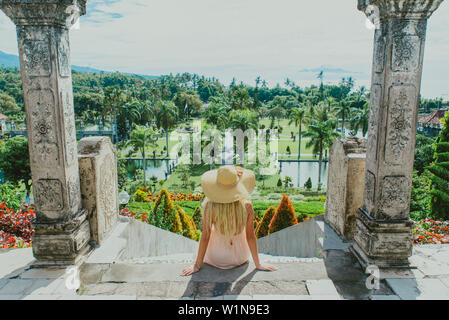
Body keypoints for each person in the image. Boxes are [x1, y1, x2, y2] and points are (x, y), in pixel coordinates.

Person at [181, 165, 277, 276]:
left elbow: (205, 236)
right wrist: (258, 264)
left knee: (210, 233)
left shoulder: (210, 206)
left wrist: (197, 265)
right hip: (241, 256)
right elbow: (250, 236)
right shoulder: (247, 206)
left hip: (216, 256)